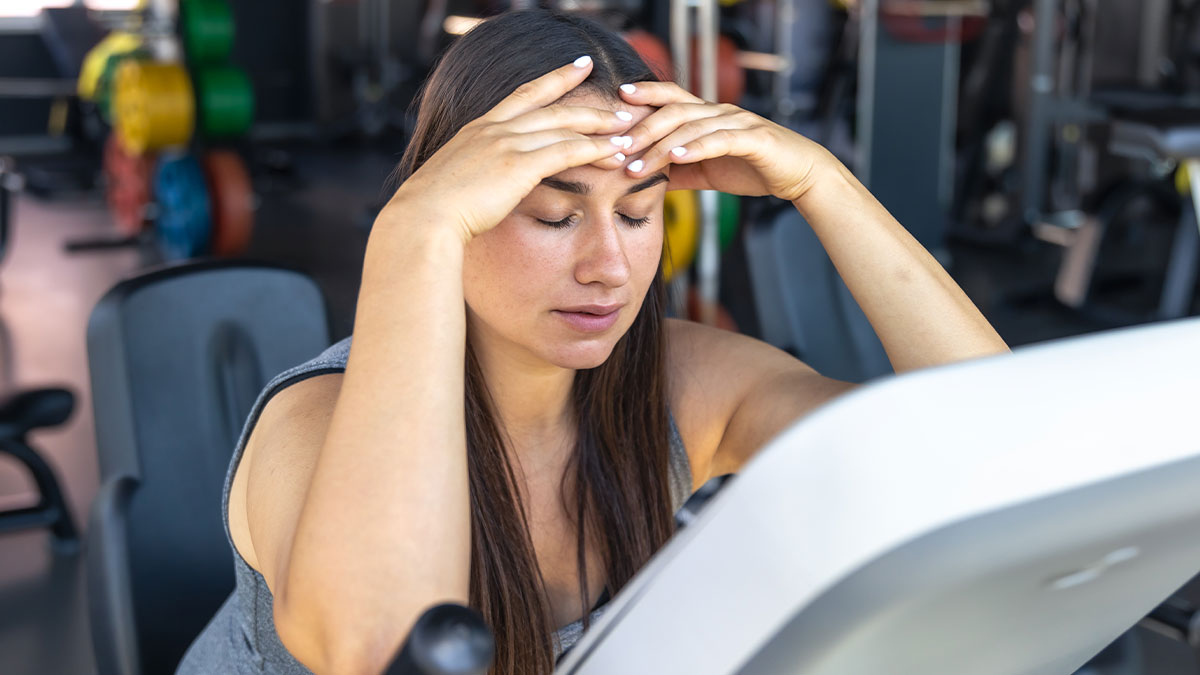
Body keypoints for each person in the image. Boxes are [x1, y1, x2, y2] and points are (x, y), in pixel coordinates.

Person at [176, 9, 1009, 675]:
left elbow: (995, 451)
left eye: (640, 213)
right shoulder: (313, 426)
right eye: (554, 215)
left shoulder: (684, 383)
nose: (609, 265)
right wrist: (410, 235)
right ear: (453, 208)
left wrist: (823, 182)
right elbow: (383, 648)